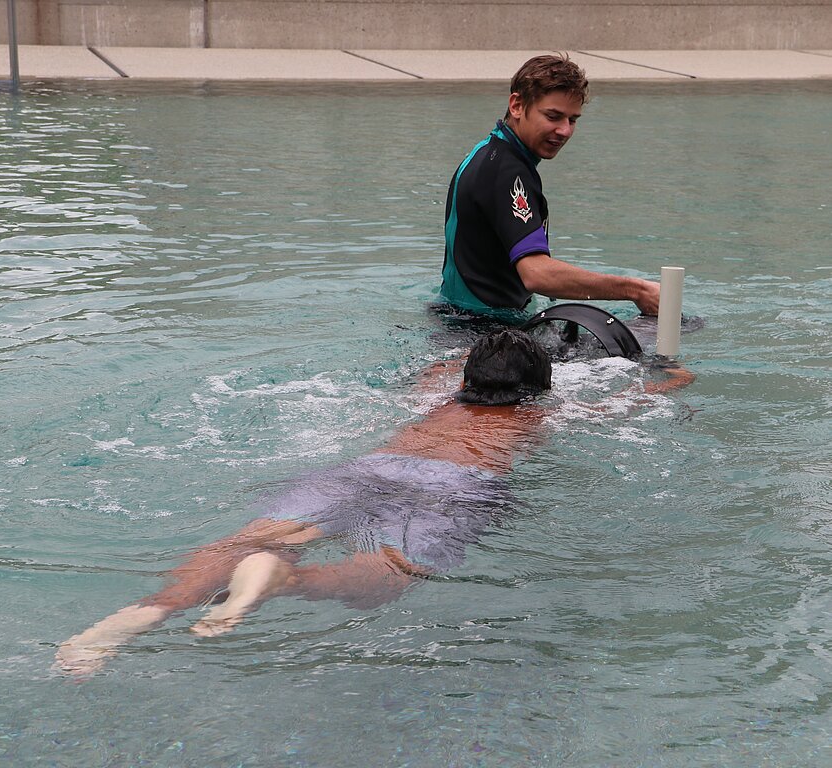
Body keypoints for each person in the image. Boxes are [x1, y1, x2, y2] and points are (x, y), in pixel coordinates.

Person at [55, 330, 690, 676]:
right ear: (537, 391)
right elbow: (628, 403)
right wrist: (671, 378)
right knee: (387, 573)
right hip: (457, 484)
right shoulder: (538, 416)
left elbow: (437, 364)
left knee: (243, 540)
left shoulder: (435, 394)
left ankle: (136, 616)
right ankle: (284, 582)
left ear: (467, 379)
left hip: (367, 468)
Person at [439, 53, 660, 317]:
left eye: (573, 119)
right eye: (553, 116)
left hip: (454, 320)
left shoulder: (487, 152)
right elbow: (536, 274)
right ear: (517, 105)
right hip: (483, 332)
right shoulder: (508, 172)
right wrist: (635, 290)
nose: (565, 130)